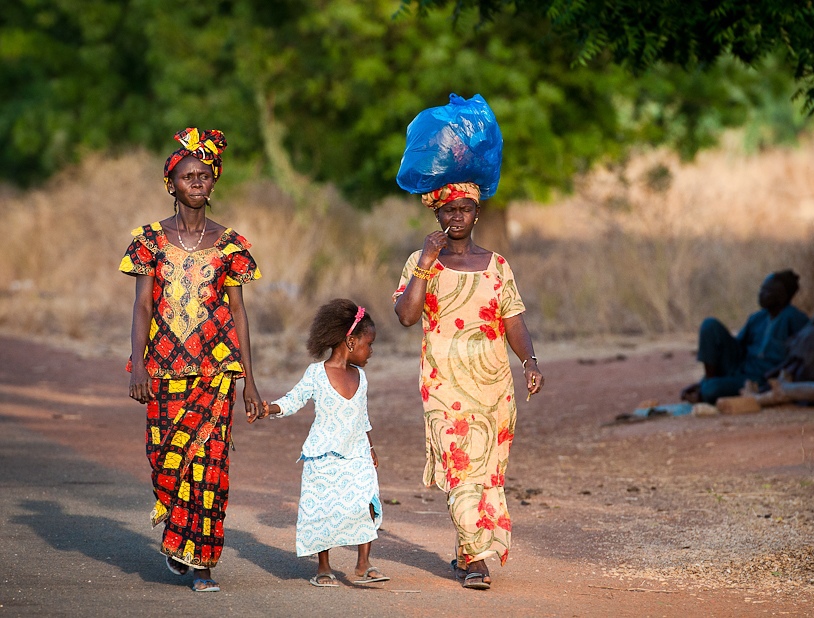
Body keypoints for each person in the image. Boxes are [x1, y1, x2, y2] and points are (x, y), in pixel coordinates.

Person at [121, 128, 262, 592]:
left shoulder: (230, 245)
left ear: (214, 181)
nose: (197, 182)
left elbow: (238, 311)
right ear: (172, 184)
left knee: (210, 464)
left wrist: (250, 380)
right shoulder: (150, 240)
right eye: (188, 176)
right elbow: (143, 305)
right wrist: (137, 363)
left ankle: (203, 563)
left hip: (215, 371)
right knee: (165, 460)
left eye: (204, 175)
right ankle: (178, 535)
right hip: (162, 366)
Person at [393, 182, 544, 590]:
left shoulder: (497, 265)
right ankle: (477, 560)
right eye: (448, 210)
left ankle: (465, 552)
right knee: (460, 465)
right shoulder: (420, 261)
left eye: (464, 209)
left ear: (476, 214)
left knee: (485, 472)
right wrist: (426, 260)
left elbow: (513, 319)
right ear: (436, 215)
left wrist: (529, 362)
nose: (456, 217)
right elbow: (406, 315)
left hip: (494, 385)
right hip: (443, 384)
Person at [256, 299, 388, 588]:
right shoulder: (316, 373)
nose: (372, 352)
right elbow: (294, 400)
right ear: (350, 342)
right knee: (322, 509)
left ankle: (363, 564)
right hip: (323, 454)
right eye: (369, 344)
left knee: (365, 500)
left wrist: (371, 446)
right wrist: (270, 409)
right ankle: (323, 566)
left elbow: (362, 415)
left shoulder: (361, 377)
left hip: (357, 452)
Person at [681, 270, 809, 404]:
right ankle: (707, 382)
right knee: (709, 325)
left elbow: (801, 357)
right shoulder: (757, 317)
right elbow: (737, 347)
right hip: (740, 368)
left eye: (767, 290)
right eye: (761, 289)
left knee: (711, 390)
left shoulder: (795, 318)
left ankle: (706, 390)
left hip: (760, 379)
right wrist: (702, 381)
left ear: (781, 296)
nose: (761, 294)